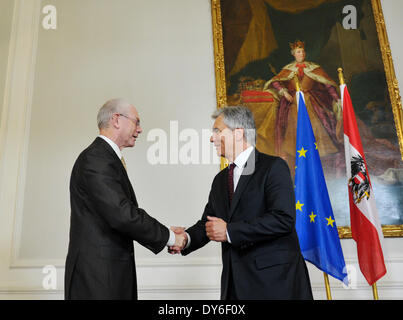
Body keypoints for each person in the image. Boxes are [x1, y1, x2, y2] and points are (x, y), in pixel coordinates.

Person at [170, 106, 313, 300]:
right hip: (234, 285)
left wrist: (230, 231)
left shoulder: (273, 167)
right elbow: (209, 223)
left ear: (238, 133)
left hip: (275, 284)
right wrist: (185, 239)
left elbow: (283, 219)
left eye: (217, 131)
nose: (212, 138)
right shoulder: (220, 179)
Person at [65, 98, 186, 300]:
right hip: (98, 279)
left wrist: (166, 234)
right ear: (116, 120)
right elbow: (123, 215)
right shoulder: (96, 159)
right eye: (136, 122)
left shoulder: (105, 158)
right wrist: (170, 237)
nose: (139, 130)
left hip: (107, 275)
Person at [263, 40, 343, 173]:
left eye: (303, 51)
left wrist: (337, 98)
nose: (302, 54)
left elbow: (327, 85)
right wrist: (284, 92)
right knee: (293, 127)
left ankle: (321, 157)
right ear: (294, 54)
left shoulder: (314, 68)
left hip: (312, 102)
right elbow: (275, 82)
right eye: (299, 52)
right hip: (293, 103)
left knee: (317, 126)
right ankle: (296, 156)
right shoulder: (288, 69)